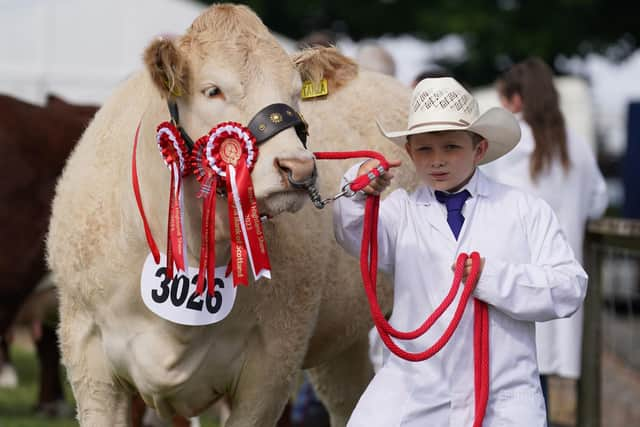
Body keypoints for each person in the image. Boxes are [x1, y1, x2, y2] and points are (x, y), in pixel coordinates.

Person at [333, 76, 588, 426]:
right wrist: (357, 190)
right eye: (424, 149)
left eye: (451, 147)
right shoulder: (397, 211)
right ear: (409, 152)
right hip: (415, 388)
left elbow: (569, 286)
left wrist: (493, 277)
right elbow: (354, 235)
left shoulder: (525, 209)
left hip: (505, 393)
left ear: (479, 149)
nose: (437, 160)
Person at [483, 57, 608, 410]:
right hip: (560, 285)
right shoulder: (576, 146)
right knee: (538, 387)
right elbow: (597, 202)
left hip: (509, 286)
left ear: (516, 100)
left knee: (508, 389)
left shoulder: (505, 147)